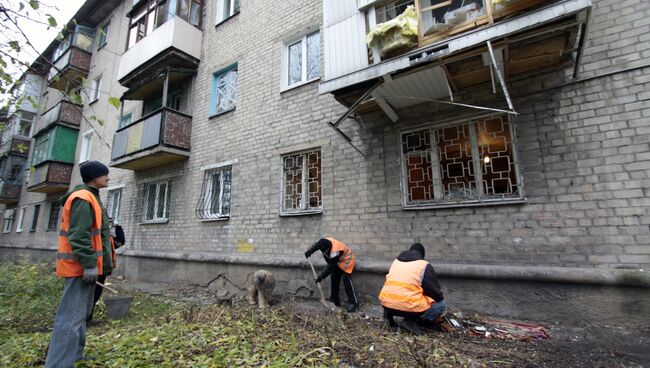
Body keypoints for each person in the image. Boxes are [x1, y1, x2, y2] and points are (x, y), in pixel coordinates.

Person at [45, 161, 112, 367]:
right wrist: (89, 264)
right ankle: (59, 364)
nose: (108, 178)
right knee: (71, 318)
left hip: (85, 268)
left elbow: (94, 233)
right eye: (104, 175)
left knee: (80, 315)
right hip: (79, 269)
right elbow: (79, 235)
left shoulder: (91, 196)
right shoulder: (83, 198)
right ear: (93, 177)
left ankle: (74, 356)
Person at [379, 243, 446, 335]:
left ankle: (388, 317)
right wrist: (440, 296)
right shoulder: (424, 265)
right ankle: (411, 321)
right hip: (409, 309)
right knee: (441, 304)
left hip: (387, 304)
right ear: (422, 255)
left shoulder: (396, 262)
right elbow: (434, 292)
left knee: (394, 293)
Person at [305, 237, 359, 313]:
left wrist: (320, 277)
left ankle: (353, 303)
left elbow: (330, 267)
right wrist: (309, 251)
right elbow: (316, 245)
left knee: (346, 279)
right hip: (337, 262)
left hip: (347, 260)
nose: (325, 253)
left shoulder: (335, 252)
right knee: (334, 279)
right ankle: (335, 301)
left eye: (326, 251)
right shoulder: (323, 242)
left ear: (329, 247)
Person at [87, 220, 125, 326]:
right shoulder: (96, 238)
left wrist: (118, 227)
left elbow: (121, 241)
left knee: (95, 294)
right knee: (89, 295)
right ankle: (83, 319)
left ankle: (88, 318)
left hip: (102, 270)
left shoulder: (109, 240)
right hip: (94, 269)